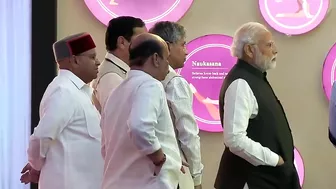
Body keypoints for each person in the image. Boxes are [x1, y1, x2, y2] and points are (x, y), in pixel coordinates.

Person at [214, 22, 300, 189]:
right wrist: (275, 160)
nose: (275, 50)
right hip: (251, 180)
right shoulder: (240, 83)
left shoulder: (256, 77)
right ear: (249, 50)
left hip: (270, 178)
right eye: (268, 45)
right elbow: (235, 139)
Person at [100, 33, 186, 189]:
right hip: (146, 183)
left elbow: (105, 145)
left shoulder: (116, 92)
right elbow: (139, 127)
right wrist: (161, 159)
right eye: (166, 59)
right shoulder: (150, 85)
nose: (168, 66)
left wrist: (172, 157)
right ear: (155, 59)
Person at [20, 33, 103, 189]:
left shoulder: (79, 92)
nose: (98, 62)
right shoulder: (63, 91)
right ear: (75, 60)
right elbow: (41, 137)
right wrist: (36, 166)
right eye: (92, 57)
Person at [149, 21, 203, 189]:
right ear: (167, 47)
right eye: (183, 44)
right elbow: (188, 134)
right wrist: (197, 177)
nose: (186, 50)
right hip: (176, 171)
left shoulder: (143, 80)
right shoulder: (175, 83)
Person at [91, 16, 146, 113]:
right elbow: (118, 121)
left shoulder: (121, 71)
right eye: (141, 41)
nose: (147, 46)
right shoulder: (111, 77)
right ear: (122, 42)